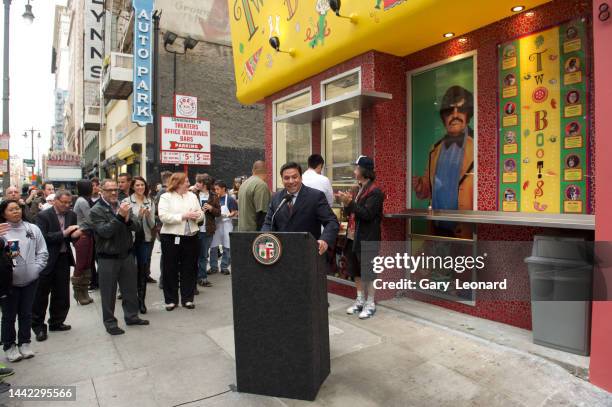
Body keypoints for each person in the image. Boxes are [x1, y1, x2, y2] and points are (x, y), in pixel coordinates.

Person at [412, 85, 474, 236]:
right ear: (443, 117)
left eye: (461, 109)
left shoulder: (480, 147)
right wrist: (417, 184)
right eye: (449, 111)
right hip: (437, 229)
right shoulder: (434, 149)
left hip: (465, 230)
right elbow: (426, 190)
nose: (455, 114)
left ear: (468, 114)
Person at [90, 179, 149, 335]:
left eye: (116, 189)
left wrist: (128, 219)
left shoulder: (123, 205)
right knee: (108, 293)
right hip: (107, 257)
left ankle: (132, 316)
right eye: (110, 190)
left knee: (130, 290)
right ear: (101, 191)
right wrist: (120, 218)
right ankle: (110, 322)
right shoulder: (96, 210)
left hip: (127, 254)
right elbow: (105, 232)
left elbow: (137, 227)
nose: (114, 192)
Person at [336, 156, 385, 319]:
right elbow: (352, 212)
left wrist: (350, 203)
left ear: (364, 171)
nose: (354, 171)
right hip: (352, 236)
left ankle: (370, 303)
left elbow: (368, 214)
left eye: (356, 168)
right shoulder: (358, 189)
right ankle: (359, 300)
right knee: (355, 270)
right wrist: (345, 202)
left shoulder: (375, 192)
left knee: (368, 272)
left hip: (368, 238)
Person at [0, 200, 48, 362]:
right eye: (11, 209)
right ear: (3, 213)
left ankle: (25, 343)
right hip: (9, 283)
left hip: (30, 280)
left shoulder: (32, 229)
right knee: (8, 316)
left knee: (26, 313)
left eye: (18, 208)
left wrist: (35, 269)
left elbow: (42, 252)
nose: (16, 212)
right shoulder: (2, 231)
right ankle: (9, 346)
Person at [31, 190, 81, 342]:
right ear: (55, 201)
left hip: (63, 258)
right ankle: (38, 327)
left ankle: (56, 322)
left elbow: (72, 238)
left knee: (61, 293)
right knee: (41, 295)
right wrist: (64, 233)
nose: (66, 205)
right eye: (63, 202)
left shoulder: (71, 215)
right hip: (46, 260)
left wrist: (75, 237)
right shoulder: (43, 216)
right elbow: (43, 238)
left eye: (69, 203)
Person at [262, 162, 339, 256]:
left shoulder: (315, 196)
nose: (291, 181)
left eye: (295, 177)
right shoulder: (276, 198)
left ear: (301, 177)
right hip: (281, 253)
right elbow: (268, 223)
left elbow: (332, 222)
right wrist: (265, 239)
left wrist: (325, 240)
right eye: (286, 178)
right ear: (282, 179)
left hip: (307, 253)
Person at [158, 173, 204, 310]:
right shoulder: (165, 197)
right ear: (177, 183)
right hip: (171, 237)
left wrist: (198, 215)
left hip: (191, 236)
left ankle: (188, 299)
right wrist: (184, 216)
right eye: (186, 181)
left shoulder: (192, 196)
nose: (188, 184)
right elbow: (163, 217)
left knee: (189, 268)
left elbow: (200, 213)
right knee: (170, 268)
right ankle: (171, 300)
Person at [124, 177, 155, 314]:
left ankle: (141, 301)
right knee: (130, 271)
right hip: (130, 240)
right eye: (137, 185)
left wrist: (147, 215)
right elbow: (127, 223)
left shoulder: (150, 201)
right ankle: (131, 300)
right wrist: (139, 215)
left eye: (142, 185)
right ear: (132, 187)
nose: (140, 187)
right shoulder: (126, 202)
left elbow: (152, 224)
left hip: (145, 239)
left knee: (143, 270)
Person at [193, 174, 220, 287]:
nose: (196, 184)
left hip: (208, 229)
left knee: (203, 255)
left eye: (198, 182)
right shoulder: (193, 194)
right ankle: (195, 277)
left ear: (204, 184)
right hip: (194, 229)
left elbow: (218, 212)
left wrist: (211, 208)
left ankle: (202, 277)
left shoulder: (213, 196)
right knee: (194, 255)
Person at [72, 180, 95, 305]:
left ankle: (84, 292)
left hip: (87, 233)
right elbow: (91, 220)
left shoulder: (84, 199)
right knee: (81, 264)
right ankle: (79, 293)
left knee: (87, 264)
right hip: (83, 235)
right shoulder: (82, 201)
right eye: (91, 186)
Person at [210, 180, 237, 275]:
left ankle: (224, 266)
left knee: (227, 246)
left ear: (223, 189)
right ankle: (213, 267)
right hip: (216, 224)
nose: (216, 191)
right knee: (213, 246)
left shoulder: (230, 199)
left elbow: (234, 211)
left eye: (217, 189)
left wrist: (230, 214)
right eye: (215, 189)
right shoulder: (214, 199)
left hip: (226, 224)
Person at [238, 161, 271, 232]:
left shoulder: (244, 184)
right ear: (266, 171)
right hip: (253, 233)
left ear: (253, 170)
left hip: (242, 231)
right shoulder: (261, 185)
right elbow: (262, 213)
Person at [154, 171, 173, 289]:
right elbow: (157, 212)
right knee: (166, 254)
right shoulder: (163, 192)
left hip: (167, 227)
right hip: (164, 227)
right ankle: (163, 279)